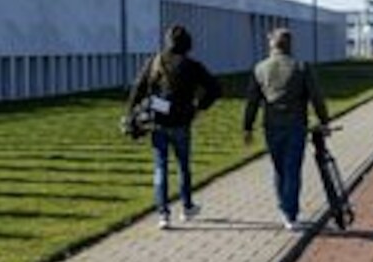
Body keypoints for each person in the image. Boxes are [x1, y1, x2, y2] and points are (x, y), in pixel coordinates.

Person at [125, 23, 222, 229]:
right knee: (183, 166)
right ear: (188, 43)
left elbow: (138, 89)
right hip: (182, 122)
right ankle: (186, 207)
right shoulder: (193, 66)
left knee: (160, 167)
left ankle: (163, 214)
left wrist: (130, 113)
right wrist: (200, 107)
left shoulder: (155, 61)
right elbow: (215, 88)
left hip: (159, 122)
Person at [243, 27, 332, 230]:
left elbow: (252, 101)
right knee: (292, 169)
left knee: (279, 168)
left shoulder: (260, 68)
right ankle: (290, 214)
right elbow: (316, 97)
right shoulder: (301, 67)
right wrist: (324, 120)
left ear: (272, 44)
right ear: (290, 45)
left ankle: (284, 207)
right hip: (295, 125)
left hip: (271, 125)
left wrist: (247, 127)